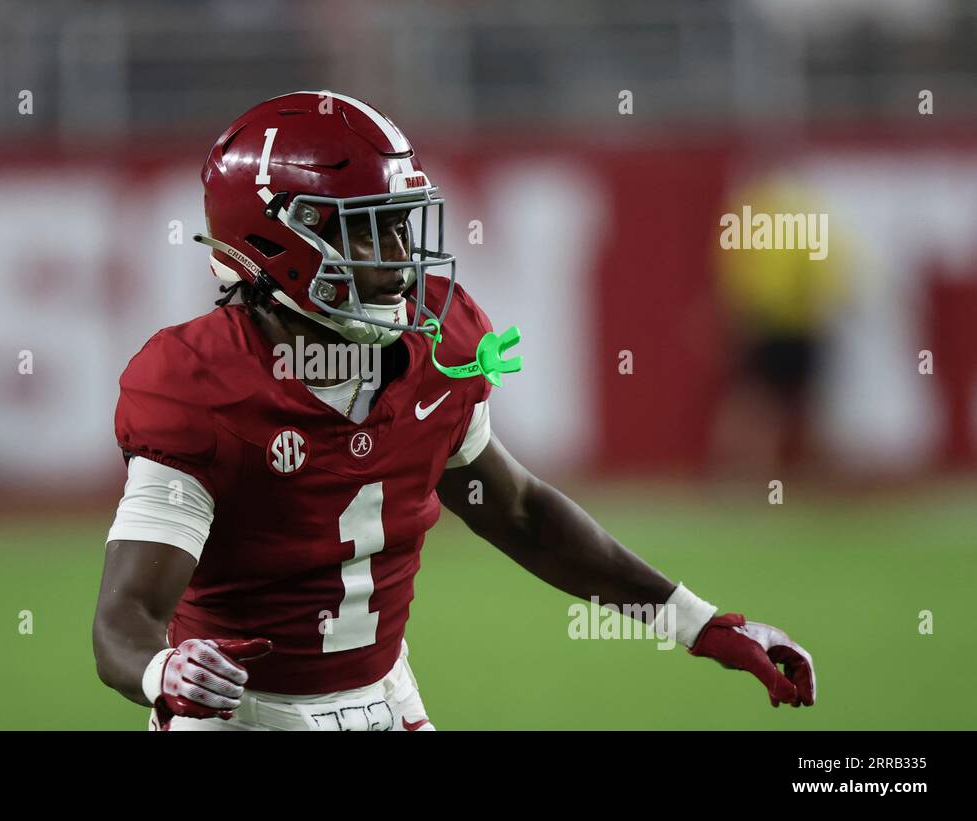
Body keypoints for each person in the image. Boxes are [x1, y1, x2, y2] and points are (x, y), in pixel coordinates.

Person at [92, 91, 815, 730]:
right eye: (371, 229)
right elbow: (124, 620)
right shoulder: (198, 386)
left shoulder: (436, 345)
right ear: (278, 240)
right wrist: (167, 673)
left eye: (403, 224)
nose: (403, 256)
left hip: (387, 699)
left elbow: (522, 513)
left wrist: (702, 624)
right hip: (242, 717)